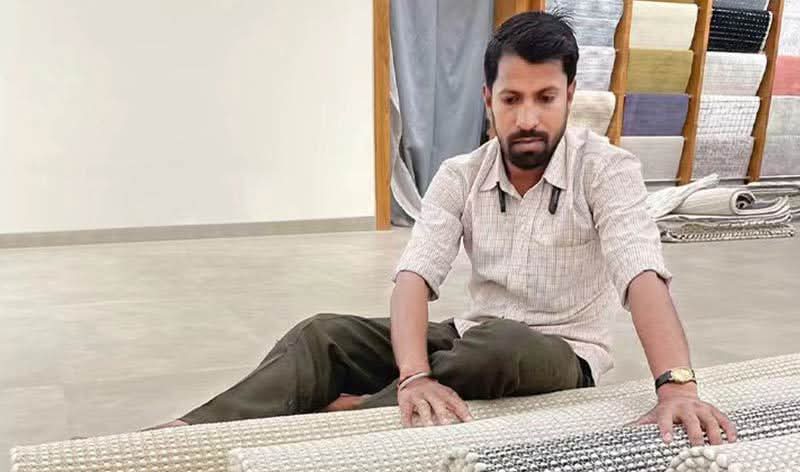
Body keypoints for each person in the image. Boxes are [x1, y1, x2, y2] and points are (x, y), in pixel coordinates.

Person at [153, 11, 736, 446]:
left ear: (569, 97)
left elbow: (642, 277)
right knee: (322, 332)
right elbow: (413, 278)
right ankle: (181, 434)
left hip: (560, 352)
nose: (527, 118)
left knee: (498, 345)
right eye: (511, 99)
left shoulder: (608, 170)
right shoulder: (461, 174)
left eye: (545, 98)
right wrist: (412, 377)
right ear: (488, 100)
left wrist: (677, 386)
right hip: (469, 335)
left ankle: (341, 419)